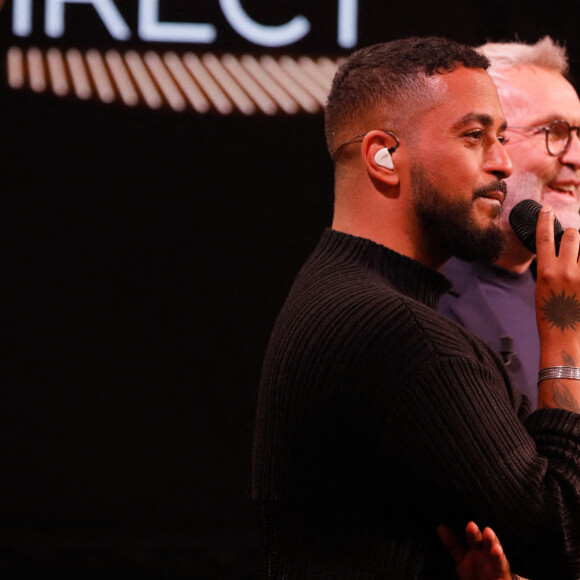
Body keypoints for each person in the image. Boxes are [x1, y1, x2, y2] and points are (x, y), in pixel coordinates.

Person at [252, 37, 580, 579]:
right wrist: (564, 326)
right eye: (475, 137)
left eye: (501, 137)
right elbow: (560, 535)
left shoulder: (348, 290)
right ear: (383, 155)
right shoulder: (399, 333)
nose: (500, 164)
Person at [439, 37, 580, 407]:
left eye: (579, 134)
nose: (576, 157)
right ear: (484, 141)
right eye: (554, 132)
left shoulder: (565, 291)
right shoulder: (430, 311)